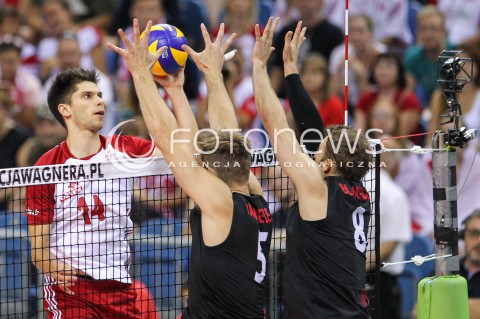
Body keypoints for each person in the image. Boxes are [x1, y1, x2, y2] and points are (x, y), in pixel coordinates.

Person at [109, 19, 273, 318]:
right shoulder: (254, 192)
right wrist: (186, 87)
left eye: (203, 161)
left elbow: (169, 141)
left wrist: (140, 75)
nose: (198, 160)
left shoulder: (221, 203)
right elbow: (228, 134)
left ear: (213, 175)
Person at [252, 18, 372, 318]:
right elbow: (312, 132)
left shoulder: (319, 188)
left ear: (329, 164)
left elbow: (275, 124)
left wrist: (258, 64)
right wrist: (291, 68)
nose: (312, 157)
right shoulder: (358, 193)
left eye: (317, 154)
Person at [24, 68, 162, 318]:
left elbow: (175, 154)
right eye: (87, 96)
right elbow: (39, 251)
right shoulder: (45, 169)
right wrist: (53, 268)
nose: (100, 100)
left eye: (99, 95)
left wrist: (154, 83)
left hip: (119, 284)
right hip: (71, 290)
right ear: (65, 110)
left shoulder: (124, 149)